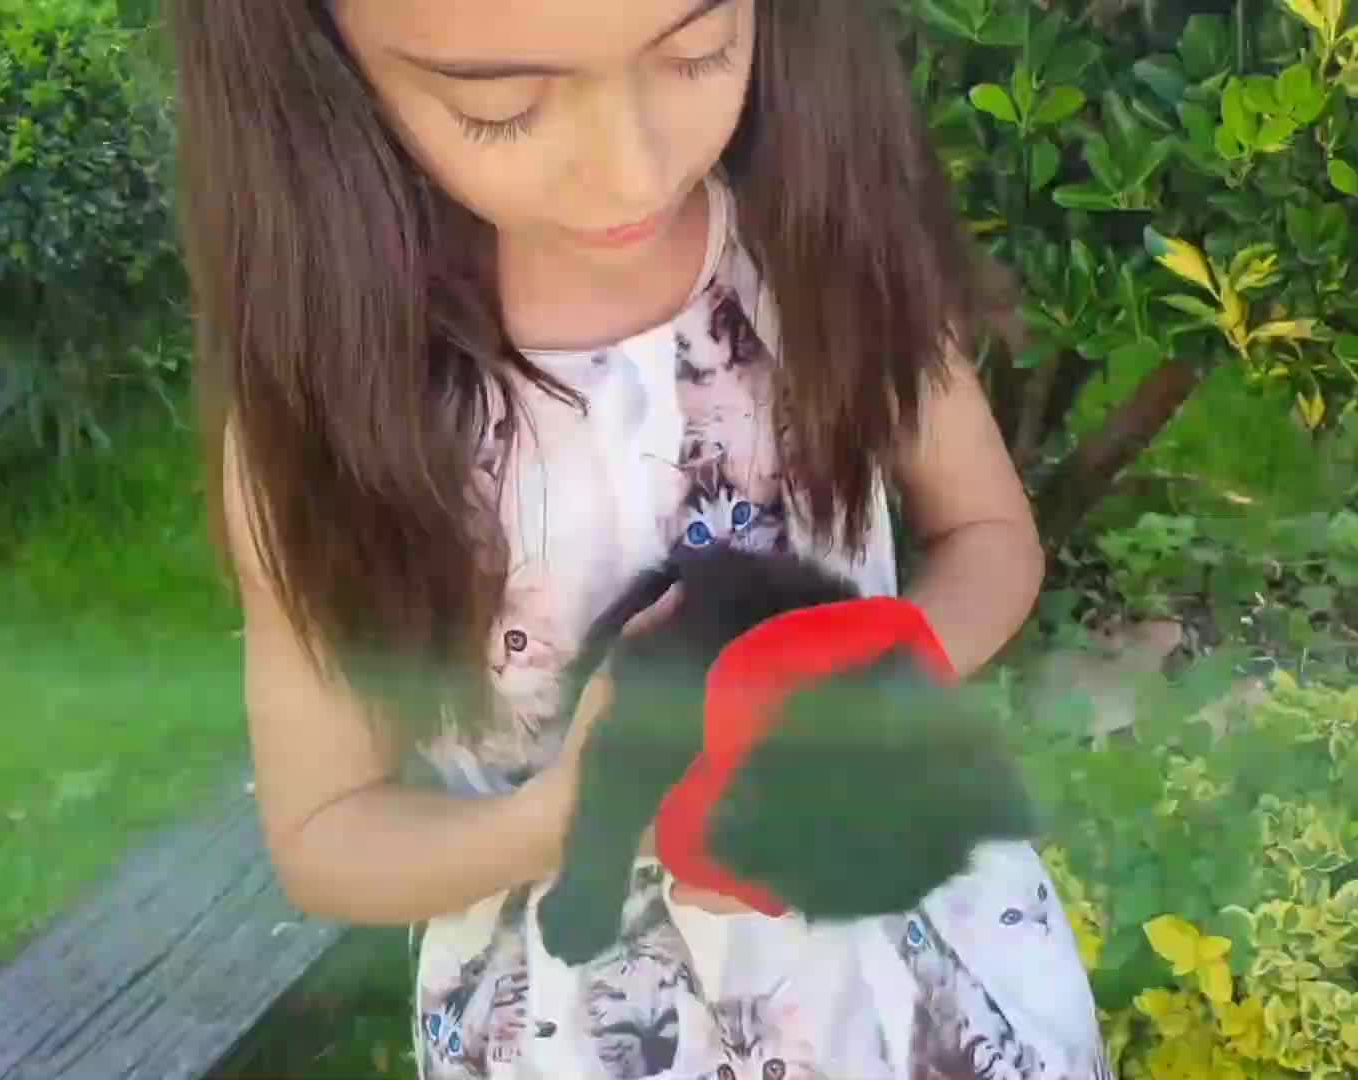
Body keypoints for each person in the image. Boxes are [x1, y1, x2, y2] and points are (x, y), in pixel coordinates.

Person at [167, 0, 1109, 1076]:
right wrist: (560, 820)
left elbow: (989, 534)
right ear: (317, 68)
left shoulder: (821, 258)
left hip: (907, 974)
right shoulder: (338, 418)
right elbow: (325, 834)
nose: (631, 172)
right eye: (504, 107)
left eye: (700, 52)